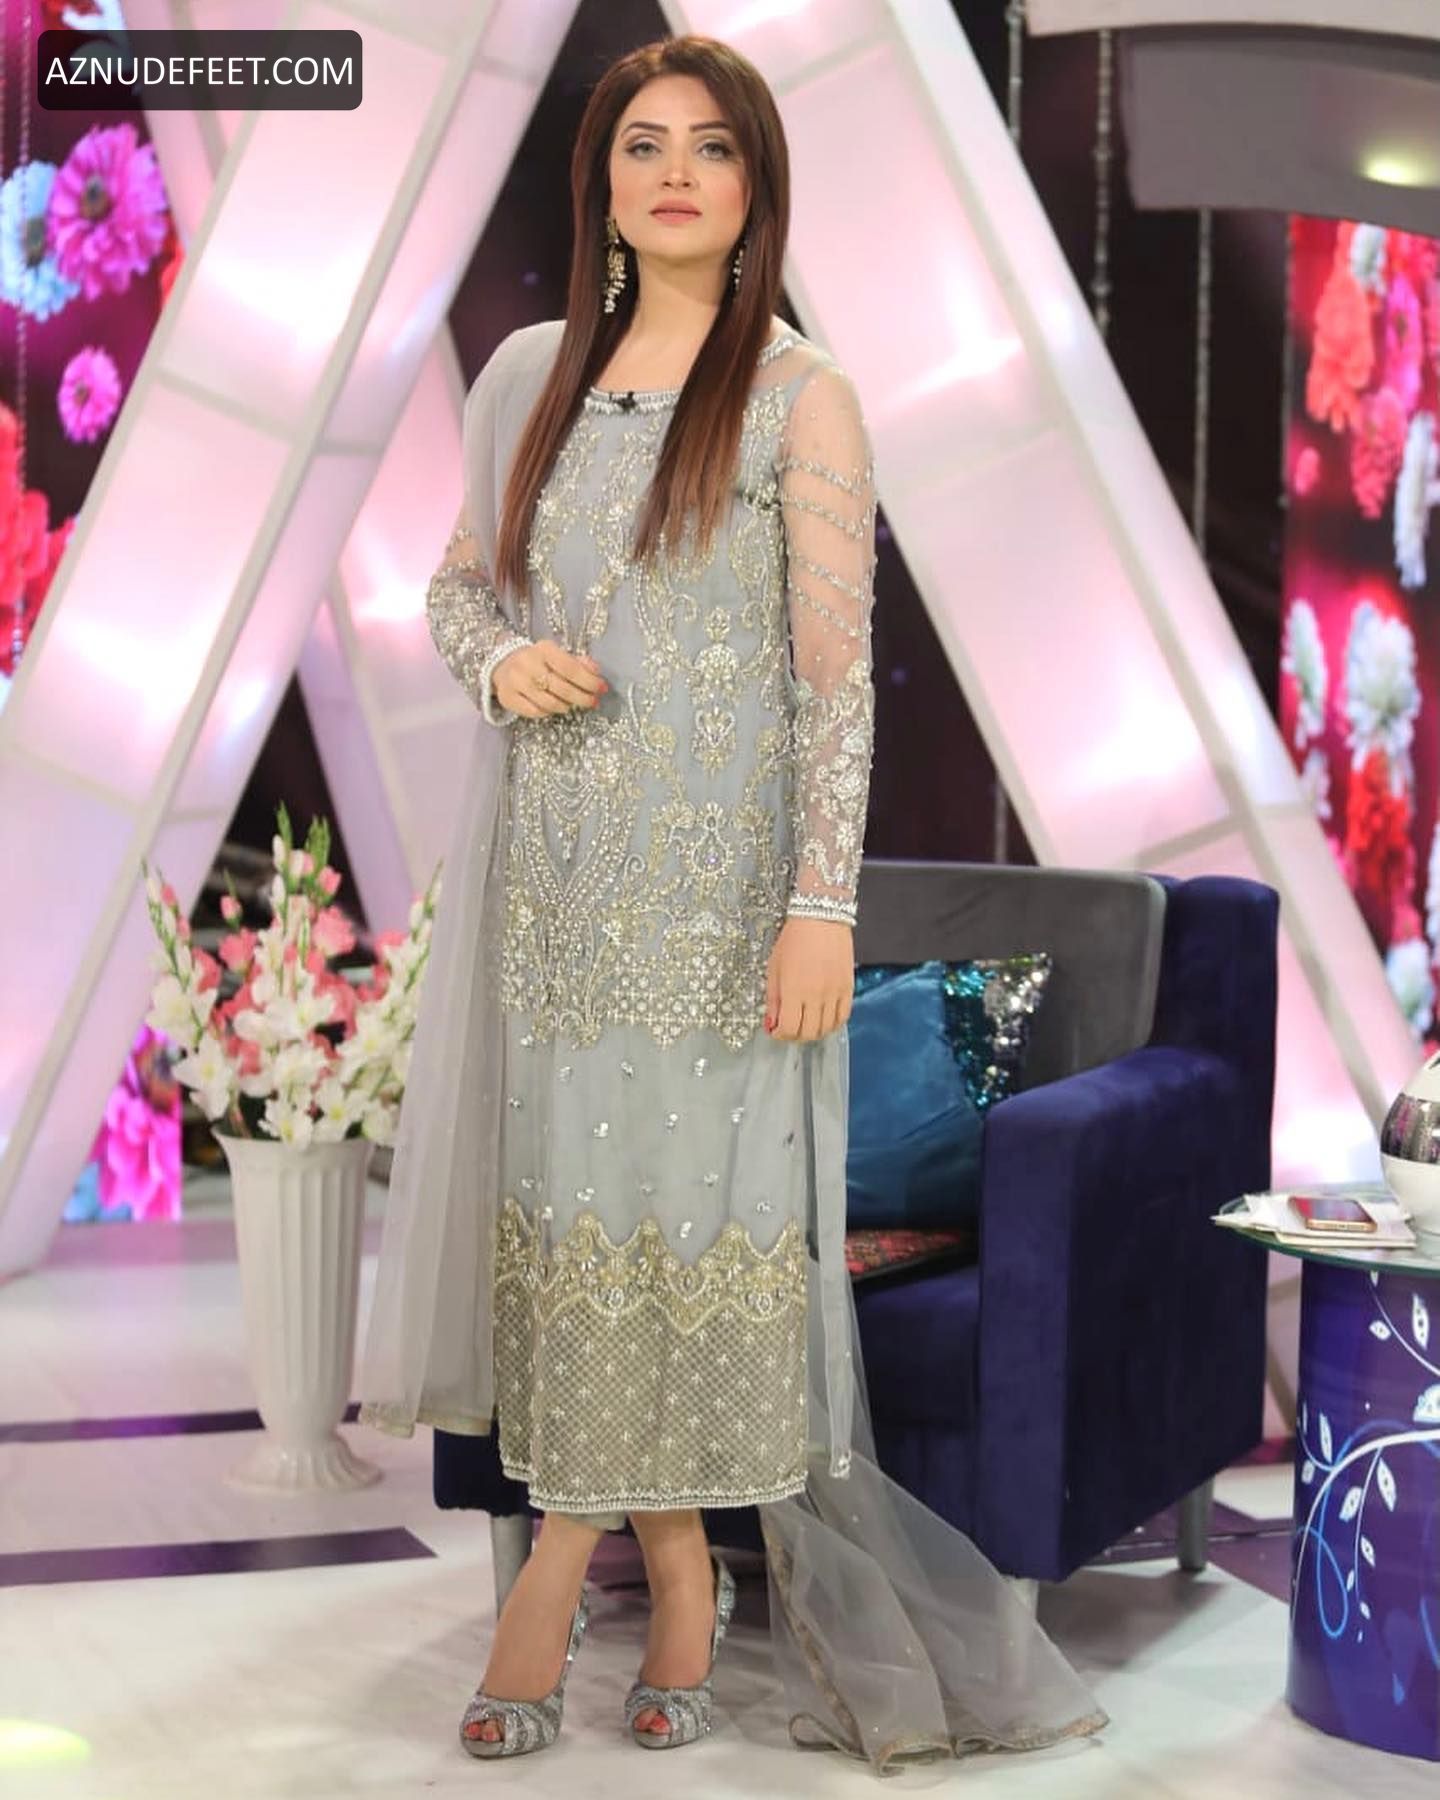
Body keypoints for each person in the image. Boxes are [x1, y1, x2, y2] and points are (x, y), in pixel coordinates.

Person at [358, 32, 1108, 1771]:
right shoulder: (532, 378)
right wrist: (500, 661)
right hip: (560, 901)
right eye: (643, 145)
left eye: (712, 146)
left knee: (690, 1238)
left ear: (758, 186)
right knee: (581, 1232)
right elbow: (456, 589)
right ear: (603, 183)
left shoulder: (797, 395)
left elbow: (834, 687)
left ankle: (559, 1576)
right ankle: (682, 1568)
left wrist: (820, 908)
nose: (675, 172)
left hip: (722, 913)